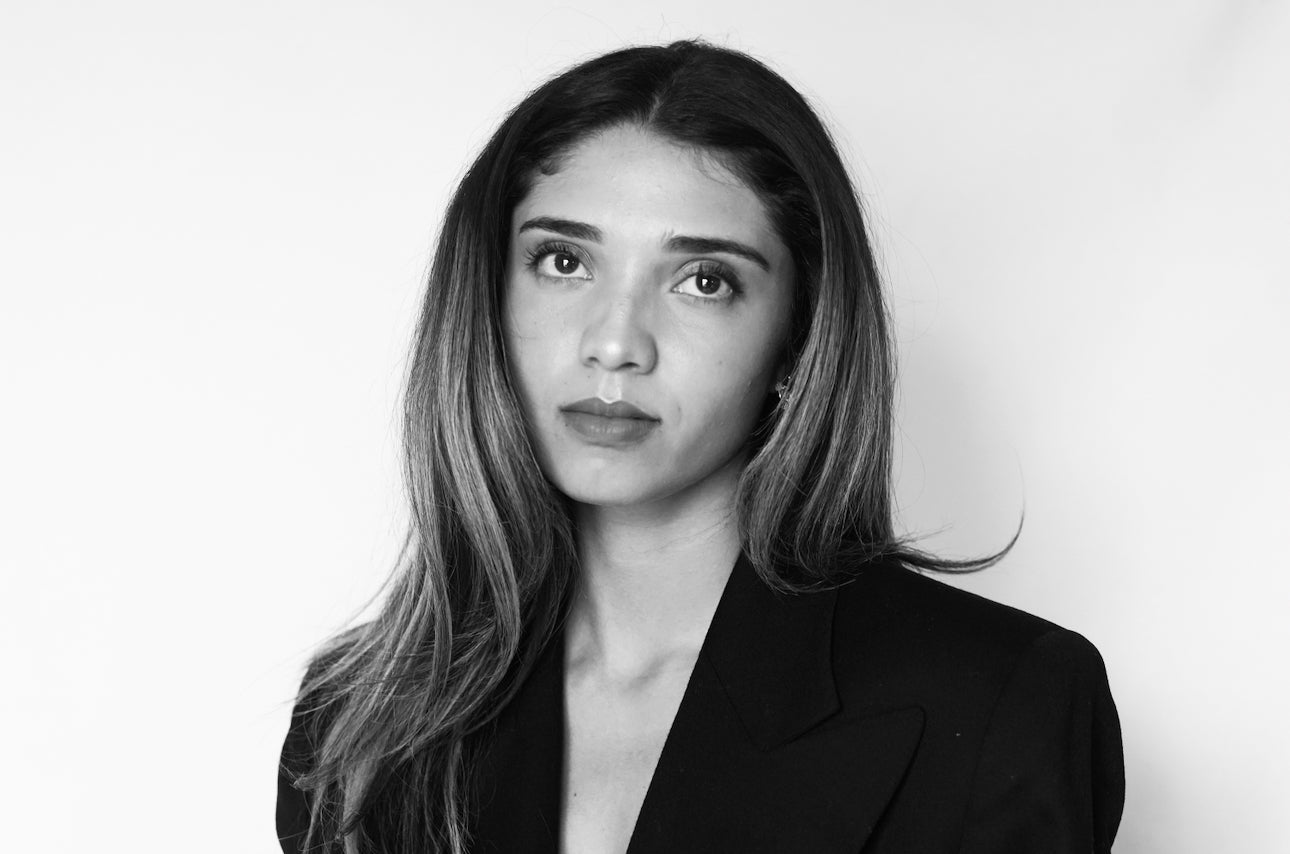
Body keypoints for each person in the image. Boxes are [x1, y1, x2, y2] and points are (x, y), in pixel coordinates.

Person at [276, 40, 1125, 854]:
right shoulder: (362, 719)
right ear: (489, 298)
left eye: (703, 281)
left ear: (797, 339)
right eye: (564, 261)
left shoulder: (1004, 698)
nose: (614, 343)